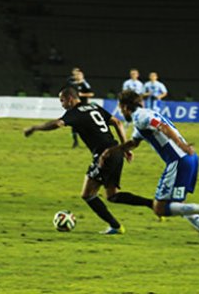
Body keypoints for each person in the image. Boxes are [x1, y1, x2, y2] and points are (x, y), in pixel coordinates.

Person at [24, 87, 154, 235]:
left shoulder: (74, 113)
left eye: (62, 101)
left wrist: (35, 128)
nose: (62, 104)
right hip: (116, 151)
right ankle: (150, 204)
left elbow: (57, 124)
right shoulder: (94, 107)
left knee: (87, 194)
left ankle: (116, 226)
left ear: (70, 99)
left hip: (104, 156)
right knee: (112, 196)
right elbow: (117, 122)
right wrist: (125, 148)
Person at [100, 90, 199, 244]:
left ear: (125, 107)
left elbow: (162, 127)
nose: (121, 112)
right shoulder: (143, 117)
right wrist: (112, 151)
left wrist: (181, 144)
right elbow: (133, 143)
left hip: (178, 161)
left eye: (121, 108)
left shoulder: (140, 117)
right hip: (189, 159)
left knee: (159, 208)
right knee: (178, 204)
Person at [67, 67, 94, 148]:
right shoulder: (74, 84)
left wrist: (82, 95)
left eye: (79, 75)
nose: (77, 76)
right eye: (76, 75)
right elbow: (67, 80)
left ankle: (90, 141)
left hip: (84, 106)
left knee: (85, 124)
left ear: (82, 76)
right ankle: (75, 142)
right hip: (75, 106)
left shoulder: (85, 84)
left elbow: (91, 94)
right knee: (74, 124)